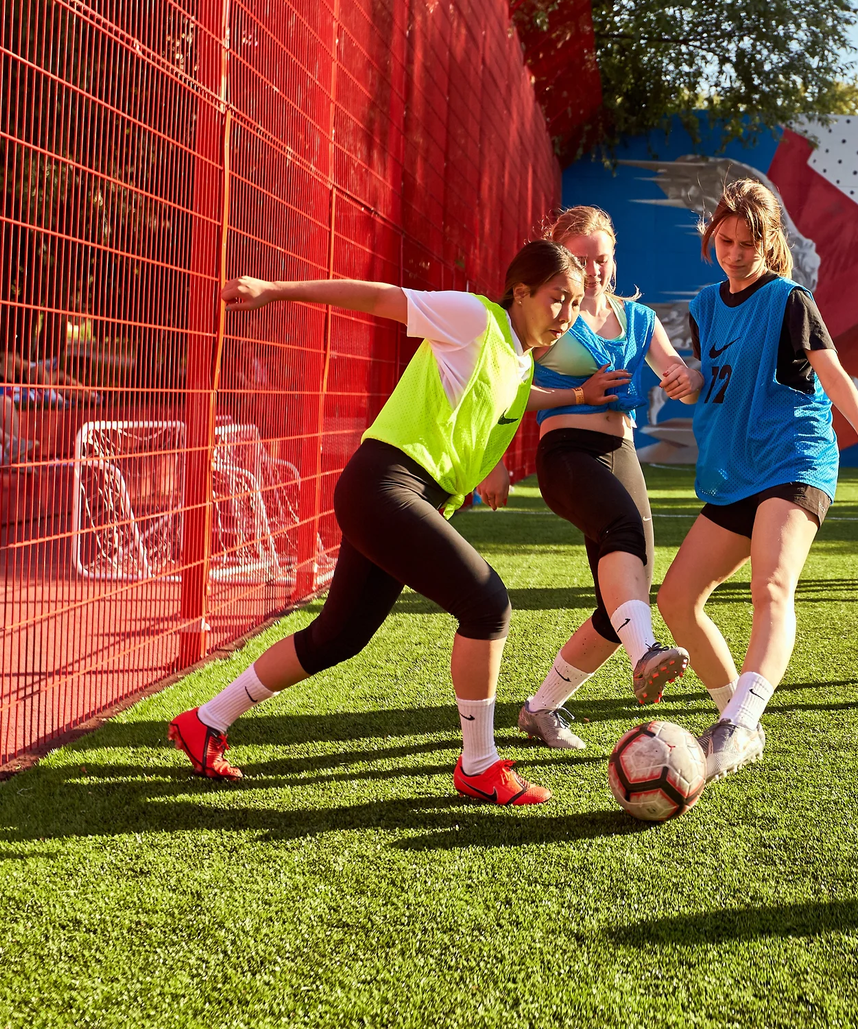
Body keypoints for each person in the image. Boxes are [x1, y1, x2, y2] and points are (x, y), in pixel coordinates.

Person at [168, 241, 594, 805]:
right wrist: (275, 290)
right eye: (558, 298)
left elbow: (506, 396)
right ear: (521, 292)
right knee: (488, 605)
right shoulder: (473, 317)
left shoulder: (520, 358)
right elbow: (380, 298)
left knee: (338, 637)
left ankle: (205, 721)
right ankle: (479, 765)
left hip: (399, 495)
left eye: (576, 303)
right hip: (385, 486)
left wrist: (577, 395)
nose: (568, 314)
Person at [655, 178, 858, 782]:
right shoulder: (704, 305)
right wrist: (692, 378)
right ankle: (736, 716)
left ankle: (740, 722)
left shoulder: (790, 299)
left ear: (769, 243)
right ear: (711, 236)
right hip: (735, 467)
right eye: (726, 241)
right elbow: (715, 373)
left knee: (770, 586)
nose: (735, 253)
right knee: (676, 600)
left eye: (747, 243)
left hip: (794, 458)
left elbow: (833, 373)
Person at [515, 207, 699, 751]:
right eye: (581, 260)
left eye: (602, 259)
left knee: (623, 601)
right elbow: (509, 390)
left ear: (614, 257)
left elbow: (676, 369)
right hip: (567, 451)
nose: (593, 271)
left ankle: (541, 708)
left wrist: (685, 378)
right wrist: (577, 393)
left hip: (622, 453)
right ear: (560, 260)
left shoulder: (640, 318)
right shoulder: (548, 315)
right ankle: (646, 655)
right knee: (623, 536)